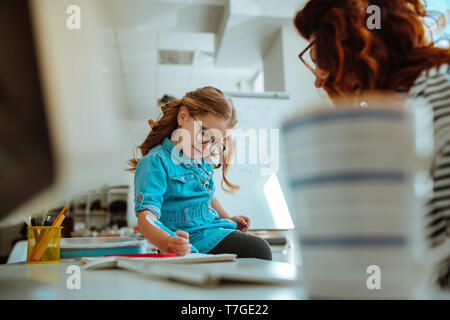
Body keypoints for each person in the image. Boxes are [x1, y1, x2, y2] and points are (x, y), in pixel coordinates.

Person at [293, 0, 450, 288]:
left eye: (316, 57)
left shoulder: (433, 91)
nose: (318, 80)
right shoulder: (409, 99)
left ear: (348, 41)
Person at [127, 86, 272, 260]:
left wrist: (228, 218)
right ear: (183, 116)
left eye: (215, 142)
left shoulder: (202, 161)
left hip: (211, 229)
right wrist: (166, 242)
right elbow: (146, 218)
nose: (206, 147)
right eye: (203, 133)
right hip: (189, 240)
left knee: (257, 250)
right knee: (258, 249)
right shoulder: (155, 162)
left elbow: (209, 196)